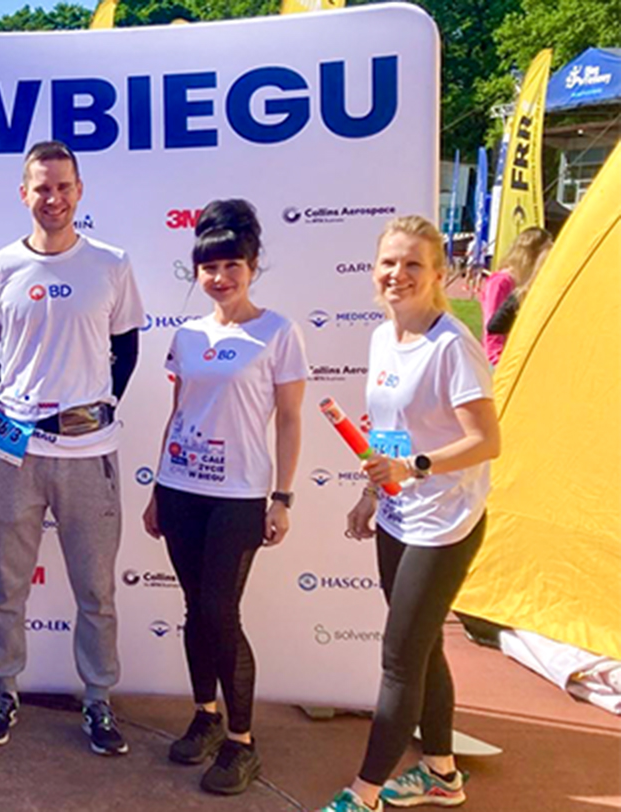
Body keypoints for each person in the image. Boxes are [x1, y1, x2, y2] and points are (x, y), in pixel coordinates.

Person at [0, 139, 144, 754]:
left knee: (96, 590)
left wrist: (92, 405)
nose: (53, 198)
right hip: (17, 452)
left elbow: (129, 349)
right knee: (6, 587)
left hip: (90, 452)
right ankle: (3, 690)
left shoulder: (111, 264)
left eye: (63, 186)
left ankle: (99, 702)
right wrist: (19, 402)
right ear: (24, 194)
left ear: (79, 191)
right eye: (42, 187)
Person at [315, 216, 501, 812]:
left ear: (438, 275)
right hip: (399, 516)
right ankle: (442, 775)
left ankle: (363, 792)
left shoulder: (452, 346)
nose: (399, 274)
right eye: (390, 262)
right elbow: (388, 436)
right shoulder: (381, 337)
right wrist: (374, 494)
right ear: (375, 271)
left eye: (413, 264)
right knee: (424, 650)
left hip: (447, 523)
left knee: (399, 663)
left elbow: (487, 441)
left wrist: (415, 469)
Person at [140, 199, 307, 794]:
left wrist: (283, 497)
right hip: (182, 489)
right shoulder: (187, 335)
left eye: (231, 265)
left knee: (220, 612)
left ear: (252, 266)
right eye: (209, 268)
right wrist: (158, 487)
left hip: (239, 496)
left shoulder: (277, 332)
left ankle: (242, 742)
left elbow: (289, 420)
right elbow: (178, 410)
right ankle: (205, 716)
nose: (220, 278)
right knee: (194, 610)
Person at [479, 227, 552, 365]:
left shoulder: (527, 283)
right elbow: (493, 328)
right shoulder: (501, 281)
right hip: (500, 361)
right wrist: (498, 362)